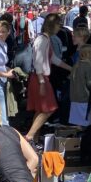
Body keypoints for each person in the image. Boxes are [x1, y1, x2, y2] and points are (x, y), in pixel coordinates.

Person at [26, 13, 71, 141]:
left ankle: (34, 139)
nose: (59, 27)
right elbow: (38, 62)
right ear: (53, 25)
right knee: (48, 109)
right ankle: (29, 136)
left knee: (40, 110)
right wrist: (41, 82)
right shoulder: (42, 40)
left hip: (40, 78)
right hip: (40, 79)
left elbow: (53, 59)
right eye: (58, 25)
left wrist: (70, 68)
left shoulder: (45, 39)